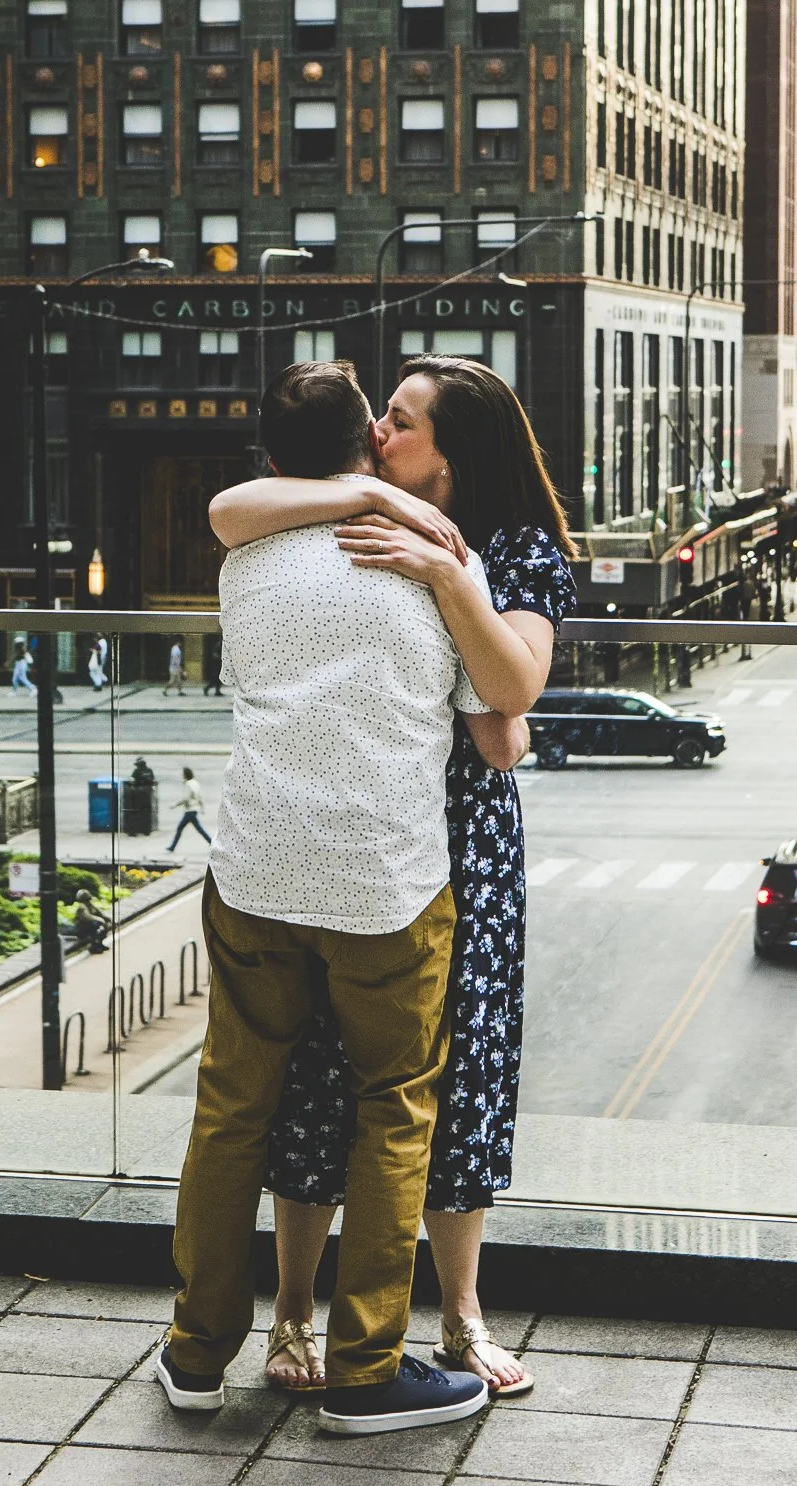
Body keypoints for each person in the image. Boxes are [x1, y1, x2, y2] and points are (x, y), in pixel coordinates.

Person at [210, 354, 577, 1399]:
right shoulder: (338, 505)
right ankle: (292, 1318)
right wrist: (372, 493)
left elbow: (515, 694)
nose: (379, 432)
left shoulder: (512, 547)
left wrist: (444, 575)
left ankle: (460, 1317)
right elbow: (231, 507)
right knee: (315, 1077)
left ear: (455, 451)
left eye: (402, 425)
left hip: (463, 845)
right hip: (354, 835)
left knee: (459, 1082)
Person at [157, 360, 499, 1437]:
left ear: (272, 459)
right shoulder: (433, 558)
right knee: (394, 1109)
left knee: (230, 1110)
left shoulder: (248, 547)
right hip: (385, 880)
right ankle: (363, 1370)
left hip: (257, 867)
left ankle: (196, 1353)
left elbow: (237, 509)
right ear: (369, 444)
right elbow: (495, 710)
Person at [166, 767, 210, 850]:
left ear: (185, 775)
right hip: (195, 809)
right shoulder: (195, 783)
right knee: (199, 829)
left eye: (183, 774)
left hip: (190, 809)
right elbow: (200, 796)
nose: (182, 775)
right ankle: (210, 842)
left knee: (180, 828)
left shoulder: (188, 784)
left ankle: (172, 847)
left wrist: (174, 805)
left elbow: (185, 798)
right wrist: (202, 807)